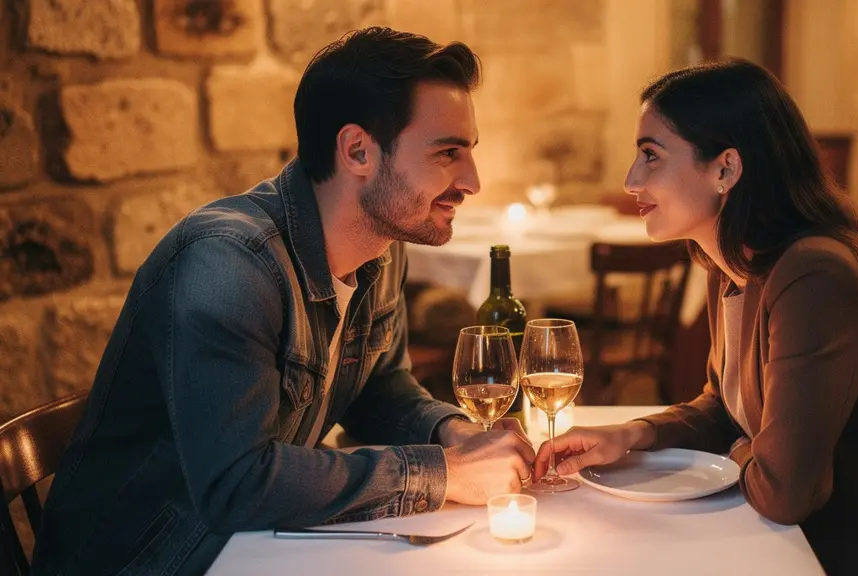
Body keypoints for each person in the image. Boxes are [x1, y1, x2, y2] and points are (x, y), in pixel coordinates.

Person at [33, 27, 535, 576]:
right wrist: (441, 473)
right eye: (447, 153)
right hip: (153, 560)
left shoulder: (382, 248)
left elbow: (378, 391)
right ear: (358, 150)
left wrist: (451, 433)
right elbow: (237, 484)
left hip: (258, 545)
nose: (472, 180)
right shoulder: (228, 264)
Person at [534, 60, 858, 576]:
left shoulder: (815, 274)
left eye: (651, 156)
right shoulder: (727, 264)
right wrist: (631, 435)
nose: (632, 179)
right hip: (791, 540)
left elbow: (786, 491)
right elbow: (725, 408)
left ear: (725, 169)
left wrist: (742, 453)